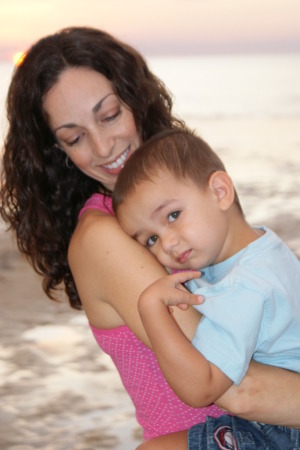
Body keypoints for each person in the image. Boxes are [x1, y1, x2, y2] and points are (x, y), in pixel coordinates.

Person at [0, 27, 300, 447]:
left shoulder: (163, 206)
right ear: (57, 153)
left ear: (136, 102)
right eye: (75, 137)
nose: (104, 147)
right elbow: (240, 389)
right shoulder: (102, 236)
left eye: (109, 115)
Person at [113, 129, 300, 449]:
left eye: (173, 215)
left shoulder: (244, 286)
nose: (167, 244)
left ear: (220, 192)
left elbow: (201, 389)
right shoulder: (259, 247)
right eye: (151, 240)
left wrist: (151, 308)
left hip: (281, 432)